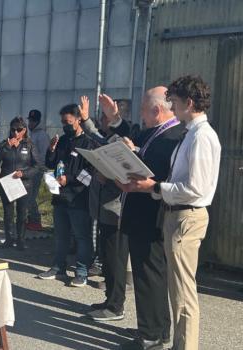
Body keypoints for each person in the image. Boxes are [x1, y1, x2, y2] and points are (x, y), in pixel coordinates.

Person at [121, 76, 221, 350]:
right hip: (176, 215)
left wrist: (155, 186)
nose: (172, 109)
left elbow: (195, 188)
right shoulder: (191, 134)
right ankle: (176, 342)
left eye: (175, 103)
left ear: (189, 103)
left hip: (186, 216)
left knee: (184, 296)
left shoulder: (201, 137)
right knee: (178, 292)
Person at [110, 87, 183, 350]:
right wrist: (132, 150)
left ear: (156, 110)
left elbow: (162, 172)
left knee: (149, 276)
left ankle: (150, 335)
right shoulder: (155, 132)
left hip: (152, 215)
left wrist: (136, 155)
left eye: (143, 108)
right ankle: (158, 327)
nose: (140, 112)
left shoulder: (174, 136)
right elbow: (146, 155)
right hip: (142, 213)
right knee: (151, 275)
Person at [78, 95, 131, 319]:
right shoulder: (110, 138)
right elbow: (98, 139)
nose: (101, 120)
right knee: (107, 260)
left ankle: (116, 305)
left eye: (104, 116)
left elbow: (126, 173)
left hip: (115, 211)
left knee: (116, 260)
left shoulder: (125, 140)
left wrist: (107, 177)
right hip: (103, 210)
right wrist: (86, 119)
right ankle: (109, 299)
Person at [38, 104, 96, 287]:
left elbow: (90, 172)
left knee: (81, 236)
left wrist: (69, 180)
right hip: (60, 196)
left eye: (68, 122)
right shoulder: (63, 140)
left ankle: (81, 271)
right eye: (63, 122)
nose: (65, 125)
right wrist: (51, 150)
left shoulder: (88, 142)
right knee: (61, 235)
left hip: (78, 197)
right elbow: (51, 163)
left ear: (79, 119)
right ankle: (58, 267)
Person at [0, 117, 37, 251]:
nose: (16, 133)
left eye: (19, 130)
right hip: (7, 182)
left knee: (22, 212)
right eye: (13, 130)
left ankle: (21, 240)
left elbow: (37, 166)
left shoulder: (29, 145)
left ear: (24, 130)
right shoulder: (5, 143)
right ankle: (9, 239)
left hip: (24, 183)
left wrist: (24, 173)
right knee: (8, 212)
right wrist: (6, 147)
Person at [25, 109, 50, 231]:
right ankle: (30, 219)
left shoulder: (42, 135)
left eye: (33, 121)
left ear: (38, 121)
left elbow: (44, 155)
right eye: (29, 120)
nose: (30, 123)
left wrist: (38, 168)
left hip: (37, 170)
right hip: (29, 169)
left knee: (30, 196)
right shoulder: (32, 134)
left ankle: (35, 220)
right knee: (27, 195)